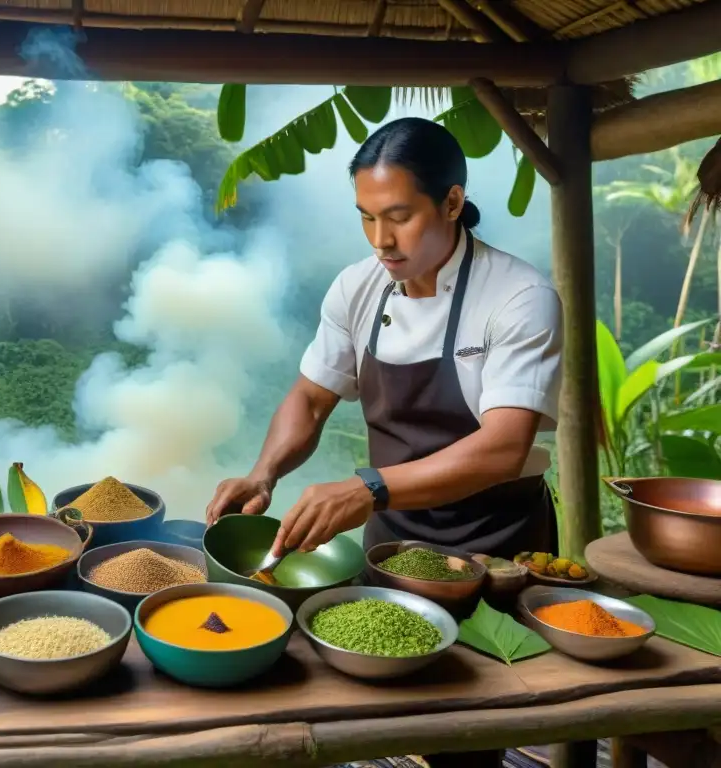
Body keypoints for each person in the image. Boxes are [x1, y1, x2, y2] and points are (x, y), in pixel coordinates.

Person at [205, 117, 563, 768]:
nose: (381, 240)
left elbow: (504, 447)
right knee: (386, 728)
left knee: (473, 733)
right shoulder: (358, 288)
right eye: (366, 217)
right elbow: (312, 396)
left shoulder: (518, 296)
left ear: (452, 201)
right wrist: (263, 474)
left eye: (398, 216)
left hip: (496, 547)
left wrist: (369, 486)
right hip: (394, 546)